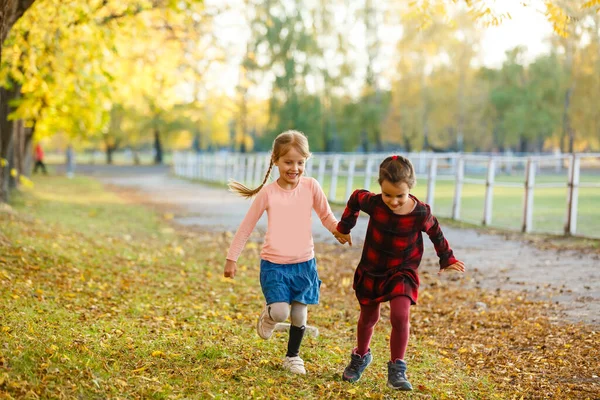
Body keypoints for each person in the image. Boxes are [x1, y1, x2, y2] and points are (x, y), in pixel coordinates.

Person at [333, 155, 465, 390]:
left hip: (402, 271)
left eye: (400, 196)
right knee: (368, 318)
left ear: (410, 188)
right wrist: (344, 227)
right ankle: (360, 356)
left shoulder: (420, 213)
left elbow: (436, 232)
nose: (393, 201)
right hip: (373, 269)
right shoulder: (374, 203)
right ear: (380, 188)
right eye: (388, 195)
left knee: (400, 315)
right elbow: (355, 198)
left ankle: (397, 369)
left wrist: (447, 258)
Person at [223, 130, 343, 375]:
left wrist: (339, 231)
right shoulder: (268, 193)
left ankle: (293, 357)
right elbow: (246, 227)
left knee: (299, 314)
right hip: (274, 266)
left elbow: (327, 216)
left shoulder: (311, 187)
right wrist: (231, 258)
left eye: (300, 162)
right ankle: (268, 316)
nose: (295, 168)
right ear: (275, 160)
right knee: (280, 312)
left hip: (304, 264)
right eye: (288, 162)